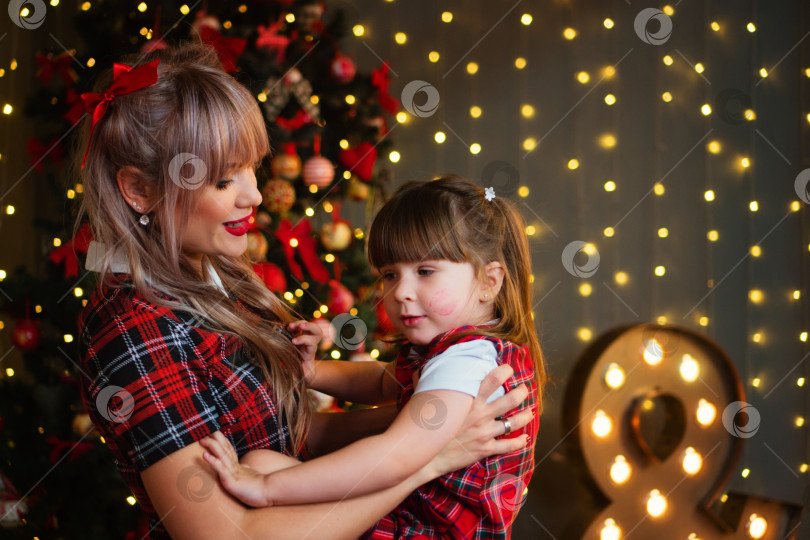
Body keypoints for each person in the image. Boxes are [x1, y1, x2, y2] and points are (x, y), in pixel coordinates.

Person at [76, 42, 532, 540]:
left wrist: (436, 423)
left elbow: (299, 434)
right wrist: (429, 460)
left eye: (252, 167)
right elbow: (229, 536)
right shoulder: (131, 328)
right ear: (139, 190)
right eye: (226, 180)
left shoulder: (223, 281)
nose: (253, 195)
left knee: (264, 461)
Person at [201, 176, 544, 539]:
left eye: (425, 271)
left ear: (490, 282)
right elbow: (383, 380)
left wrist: (267, 489)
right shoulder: (460, 348)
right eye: (390, 274)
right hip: (416, 510)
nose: (400, 292)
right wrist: (312, 372)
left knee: (263, 476)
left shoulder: (466, 362)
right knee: (262, 463)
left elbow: (393, 458)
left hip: (424, 530)